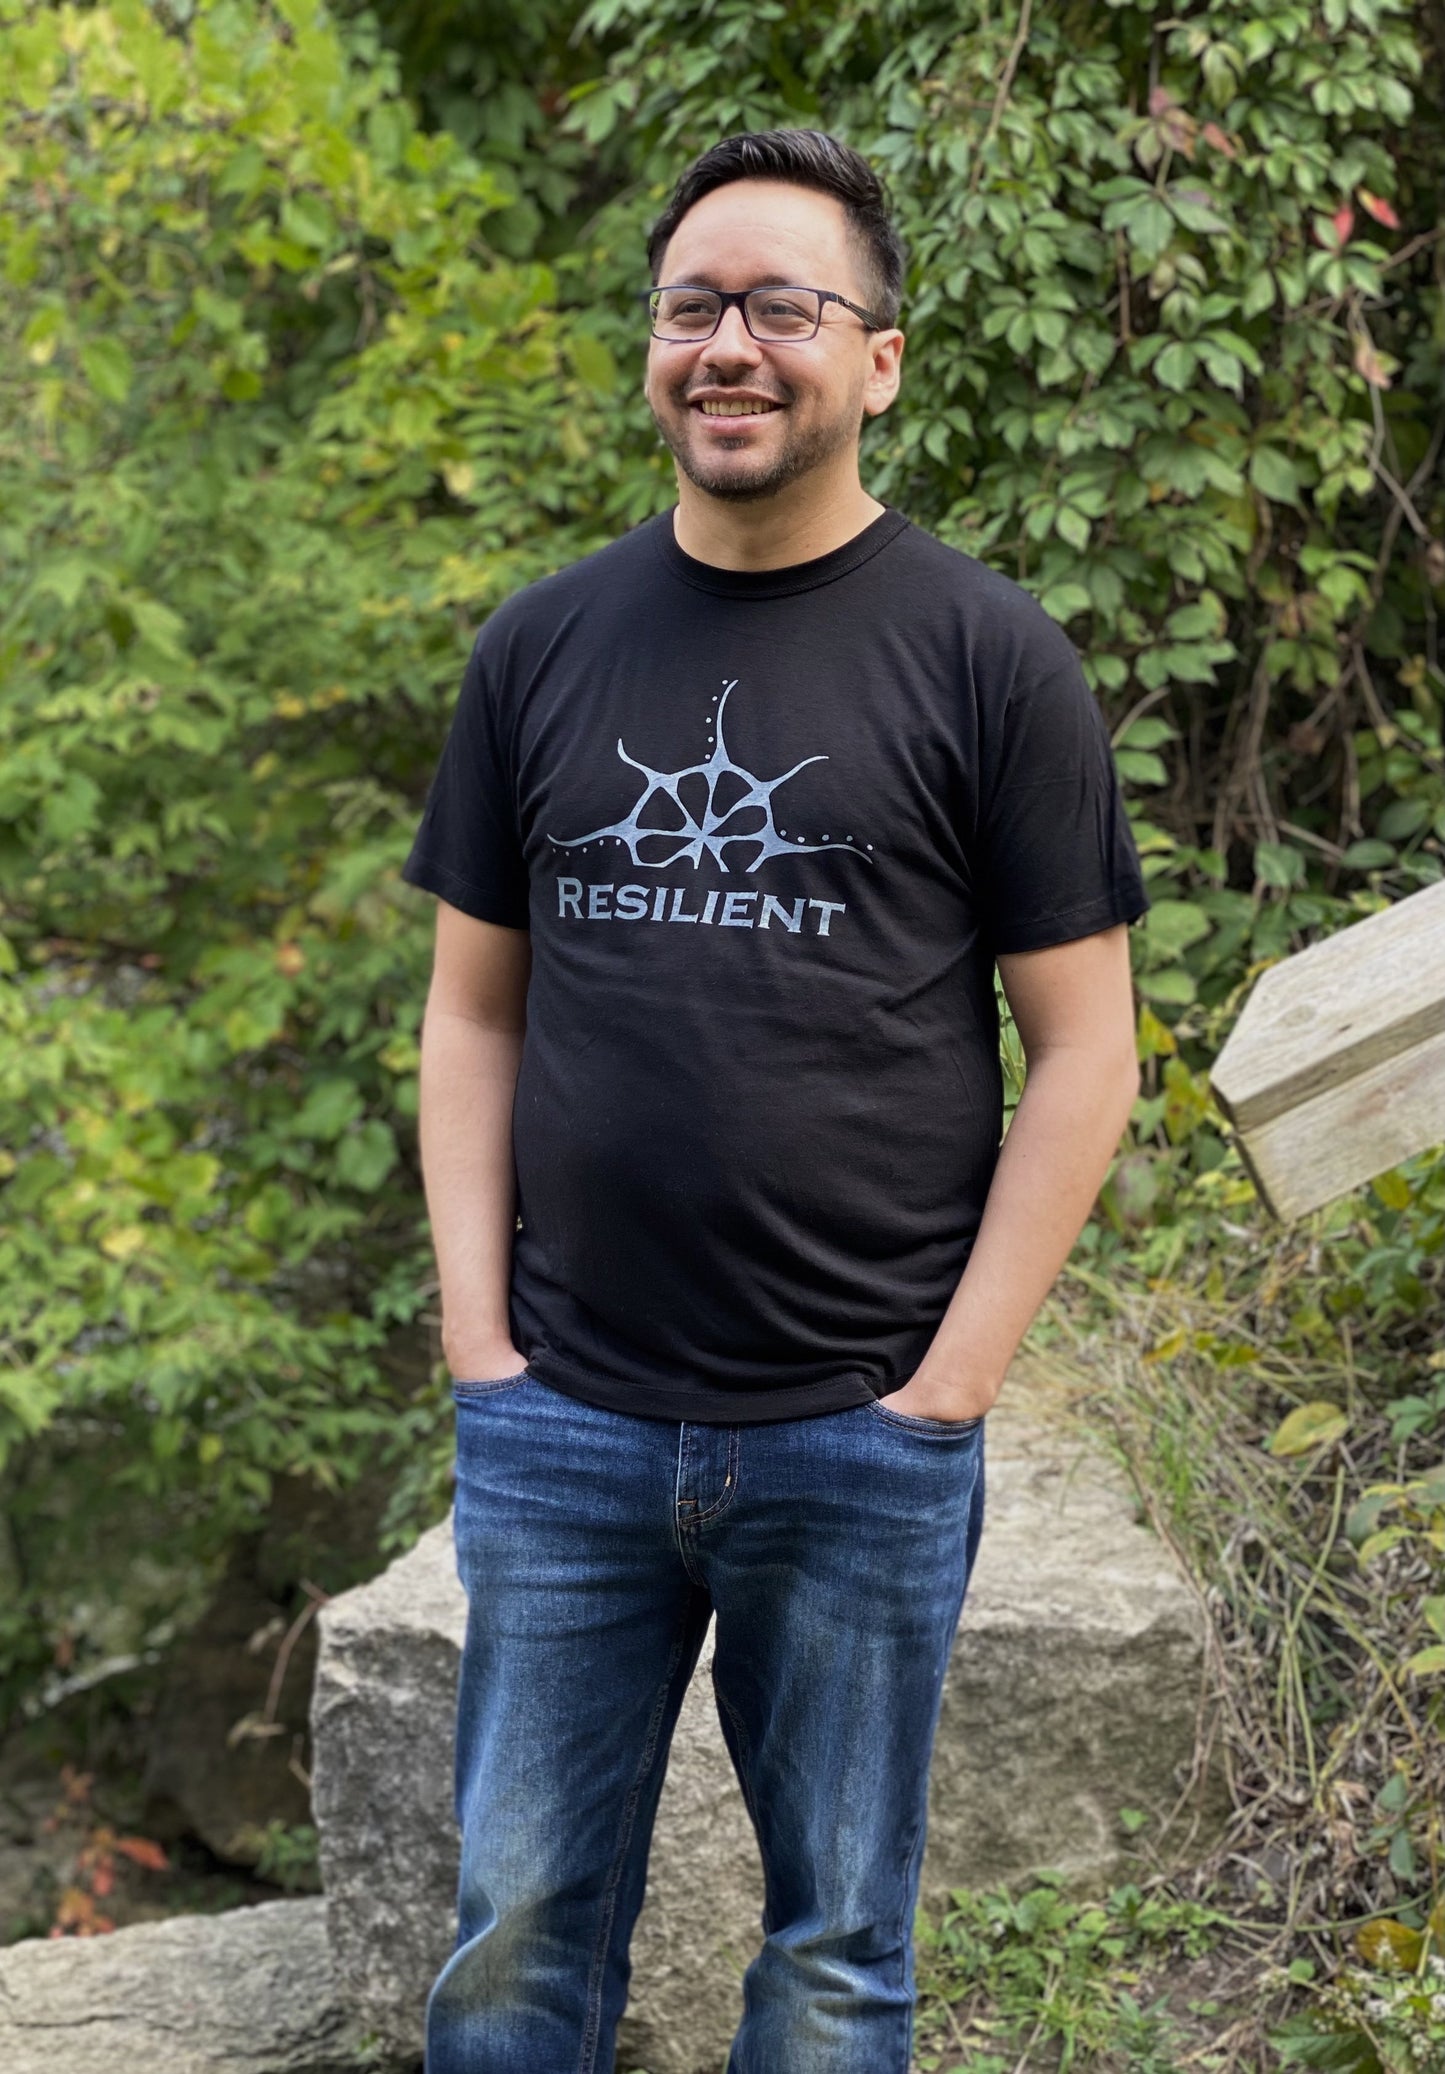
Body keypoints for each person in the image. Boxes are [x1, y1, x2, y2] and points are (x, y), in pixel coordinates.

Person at [401, 127, 1149, 2074]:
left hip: (861, 1434)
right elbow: (472, 1016)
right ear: (654, 348)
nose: (730, 345)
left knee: (832, 1968)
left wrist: (950, 1390)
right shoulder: (543, 644)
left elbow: (1088, 1051)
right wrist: (482, 1348)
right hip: (559, 1424)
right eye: (691, 307)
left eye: (783, 307)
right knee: (508, 1949)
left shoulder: (993, 662)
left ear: (879, 357)